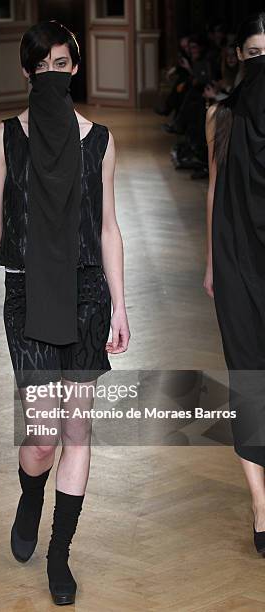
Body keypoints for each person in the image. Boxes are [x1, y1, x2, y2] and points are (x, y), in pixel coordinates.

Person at [0, 20, 130, 606]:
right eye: (42, 66)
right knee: (40, 438)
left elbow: (109, 228)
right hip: (29, 292)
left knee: (76, 429)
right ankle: (29, 497)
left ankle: (59, 556)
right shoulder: (5, 137)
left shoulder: (102, 140)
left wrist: (121, 303)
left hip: (88, 291)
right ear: (27, 72)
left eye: (61, 64)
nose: (52, 74)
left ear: (75, 68)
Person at [204, 11, 265, 555]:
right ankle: (260, 505)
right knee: (248, 376)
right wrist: (210, 261)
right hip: (236, 258)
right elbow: (215, 189)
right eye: (255, 54)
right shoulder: (220, 117)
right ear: (241, 59)